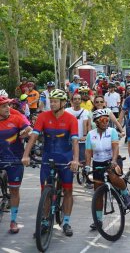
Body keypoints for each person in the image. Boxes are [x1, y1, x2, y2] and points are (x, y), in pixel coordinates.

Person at [22, 89, 80, 237]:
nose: (52, 103)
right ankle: (45, 222)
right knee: (46, 192)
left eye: (55, 101)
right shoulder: (43, 116)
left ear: (62, 103)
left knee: (68, 191)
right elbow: (33, 137)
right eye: (51, 101)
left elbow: (75, 141)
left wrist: (75, 160)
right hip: (48, 158)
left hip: (65, 159)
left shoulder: (71, 119)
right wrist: (26, 155)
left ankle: (66, 222)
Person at [84, 109, 130, 230]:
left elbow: (115, 147)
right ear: (96, 122)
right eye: (103, 120)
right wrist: (87, 166)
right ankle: (98, 220)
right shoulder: (91, 134)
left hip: (112, 160)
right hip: (98, 163)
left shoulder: (112, 132)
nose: (106, 122)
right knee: (98, 193)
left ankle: (125, 194)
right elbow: (88, 152)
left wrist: (114, 160)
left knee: (114, 178)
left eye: (107, 119)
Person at [0, 96, 32, 233]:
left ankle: (13, 221)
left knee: (14, 190)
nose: (8, 108)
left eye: (8, 105)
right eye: (3, 106)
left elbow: (29, 130)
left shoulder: (16, 118)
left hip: (15, 160)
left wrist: (26, 132)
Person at [65, 94, 89, 169]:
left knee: (82, 160)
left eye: (79, 99)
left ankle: (84, 174)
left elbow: (85, 124)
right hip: (70, 139)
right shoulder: (67, 111)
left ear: (81, 101)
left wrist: (85, 136)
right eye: (75, 99)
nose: (77, 100)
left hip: (81, 139)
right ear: (72, 101)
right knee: (69, 158)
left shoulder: (85, 112)